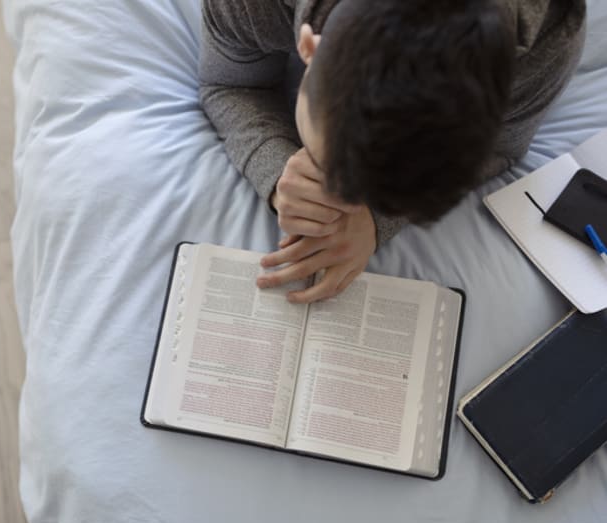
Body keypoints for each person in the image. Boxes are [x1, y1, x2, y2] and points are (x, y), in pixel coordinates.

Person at [199, 0, 586, 303]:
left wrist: (378, 217)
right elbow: (228, 83)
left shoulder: (548, 46)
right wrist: (276, 165)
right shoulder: (250, 6)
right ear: (308, 47)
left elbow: (503, 146)